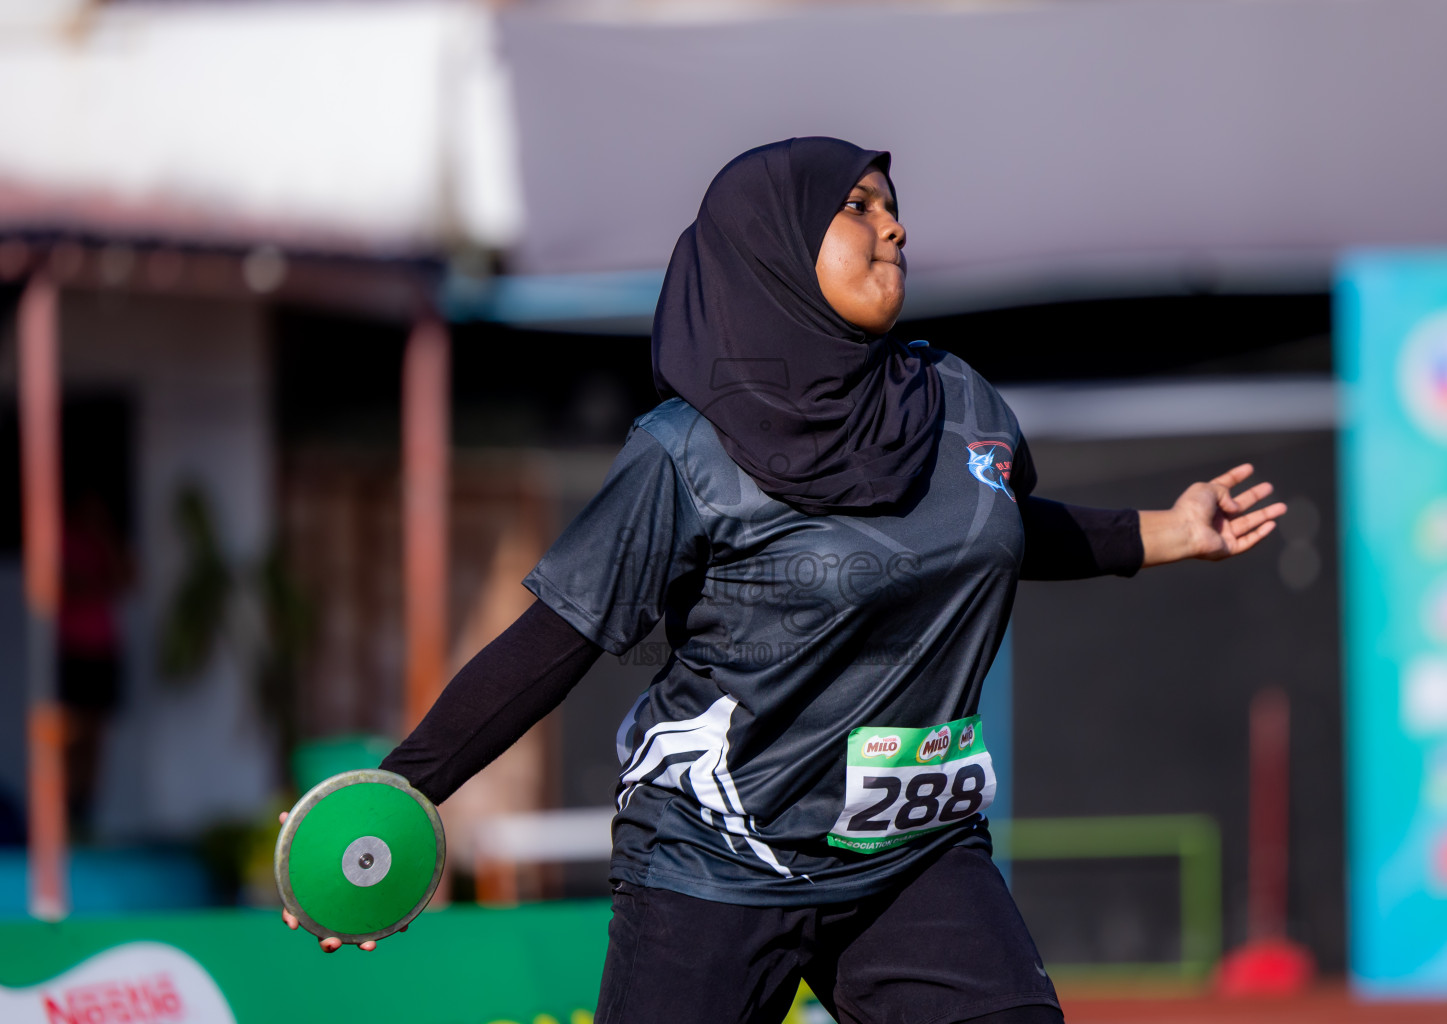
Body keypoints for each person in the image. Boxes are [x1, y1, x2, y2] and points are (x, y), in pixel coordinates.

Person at [283, 138, 1286, 1023]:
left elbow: (1000, 533)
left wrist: (1165, 530)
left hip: (913, 856)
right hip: (714, 863)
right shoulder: (686, 452)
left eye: (894, 208)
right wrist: (395, 797)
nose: (893, 228)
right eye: (857, 208)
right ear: (771, 245)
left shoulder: (955, 401)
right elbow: (560, 636)